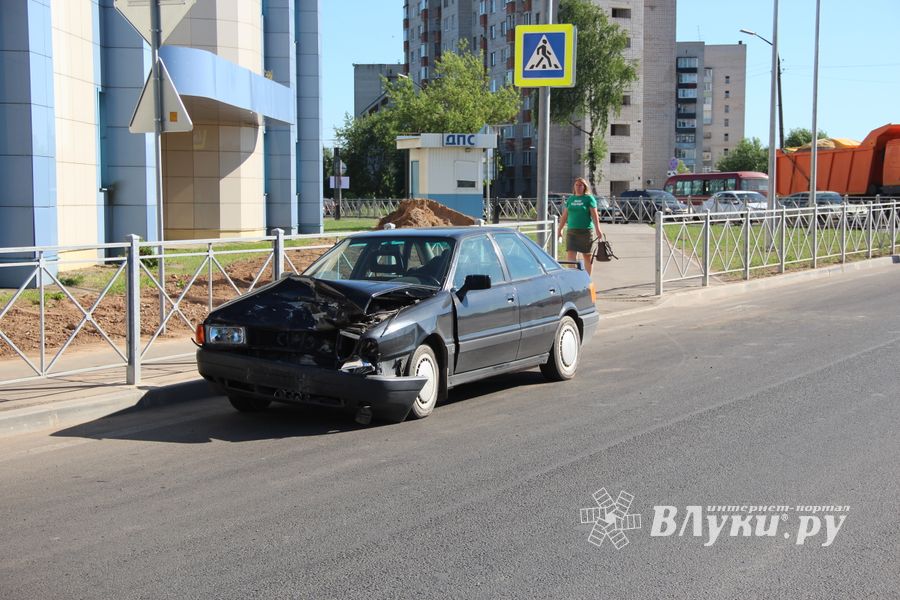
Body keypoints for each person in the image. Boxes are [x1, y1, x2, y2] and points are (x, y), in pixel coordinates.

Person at [556, 177, 603, 276]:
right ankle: (574, 278)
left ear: (584, 187)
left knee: (587, 256)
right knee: (570, 256)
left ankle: (587, 279)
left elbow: (595, 216)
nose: (578, 187)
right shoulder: (571, 199)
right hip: (572, 232)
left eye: (580, 185)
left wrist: (598, 230)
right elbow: (565, 215)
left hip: (586, 231)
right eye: (576, 185)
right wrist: (560, 229)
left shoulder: (589, 198)